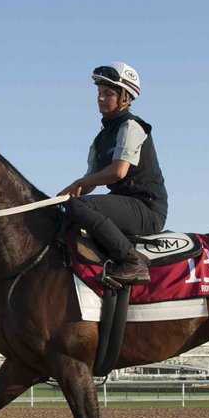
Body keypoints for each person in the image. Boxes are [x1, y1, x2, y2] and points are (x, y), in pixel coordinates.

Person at [57, 62, 168, 287]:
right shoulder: (100, 140)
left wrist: (78, 185)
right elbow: (90, 183)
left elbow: (118, 172)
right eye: (99, 93)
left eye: (108, 94)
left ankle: (132, 261)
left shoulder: (131, 126)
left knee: (79, 206)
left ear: (125, 97)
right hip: (124, 204)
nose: (100, 98)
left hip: (147, 208)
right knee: (67, 210)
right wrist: (63, 197)